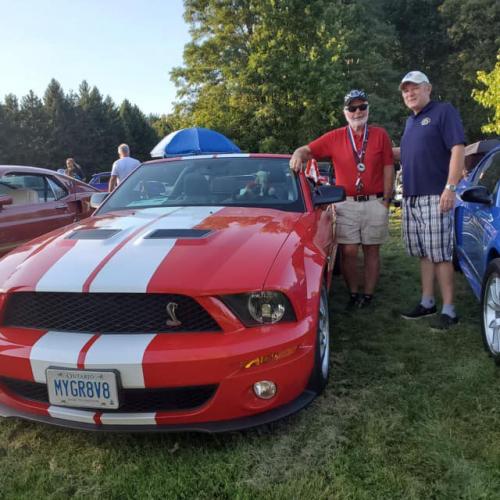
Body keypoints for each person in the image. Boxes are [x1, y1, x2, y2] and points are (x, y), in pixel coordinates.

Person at [290, 89, 394, 309]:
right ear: (345, 111)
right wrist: (298, 154)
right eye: (352, 108)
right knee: (348, 251)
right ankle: (354, 293)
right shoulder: (335, 136)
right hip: (346, 203)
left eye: (362, 107)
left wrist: (386, 200)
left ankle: (368, 295)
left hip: (375, 201)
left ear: (367, 108)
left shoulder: (380, 134)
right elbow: (307, 150)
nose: (358, 112)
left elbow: (388, 167)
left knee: (372, 250)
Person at [393, 71, 465, 330]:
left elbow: (458, 148)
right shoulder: (411, 122)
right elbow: (410, 152)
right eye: (405, 90)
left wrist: (450, 187)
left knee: (441, 255)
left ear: (428, 89)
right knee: (423, 253)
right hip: (411, 197)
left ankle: (449, 310)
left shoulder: (443, 112)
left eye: (414, 88)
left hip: (436, 195)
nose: (409, 93)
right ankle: (427, 302)